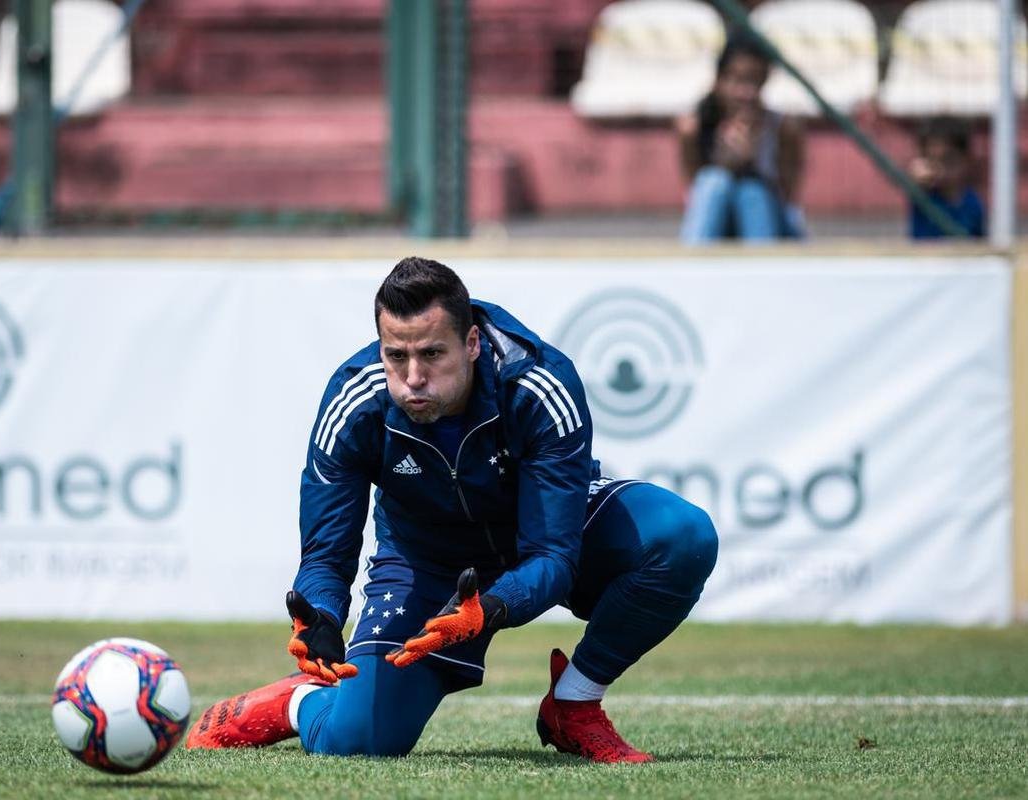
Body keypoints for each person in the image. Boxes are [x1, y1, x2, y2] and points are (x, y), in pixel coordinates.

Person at [186, 258, 718, 763]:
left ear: (471, 344)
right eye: (396, 356)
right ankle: (296, 703)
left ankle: (574, 704)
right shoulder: (353, 402)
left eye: (432, 355)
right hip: (426, 563)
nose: (413, 376)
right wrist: (321, 615)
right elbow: (327, 550)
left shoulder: (538, 382)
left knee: (682, 536)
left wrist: (491, 605)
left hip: (546, 531)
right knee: (358, 740)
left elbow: (554, 553)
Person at [675, 34, 805, 243]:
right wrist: (725, 164)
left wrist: (753, 166)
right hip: (718, 225)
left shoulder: (783, 128)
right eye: (737, 80)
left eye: (754, 81)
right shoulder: (692, 128)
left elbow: (788, 199)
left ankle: (764, 268)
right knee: (714, 182)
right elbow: (696, 197)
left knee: (751, 193)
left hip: (770, 224)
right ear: (719, 81)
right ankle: (694, 267)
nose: (746, 93)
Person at [908, 117, 986, 239]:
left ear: (966, 160)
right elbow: (912, 180)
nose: (940, 168)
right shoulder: (924, 196)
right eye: (932, 161)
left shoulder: (973, 203)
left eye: (948, 160)